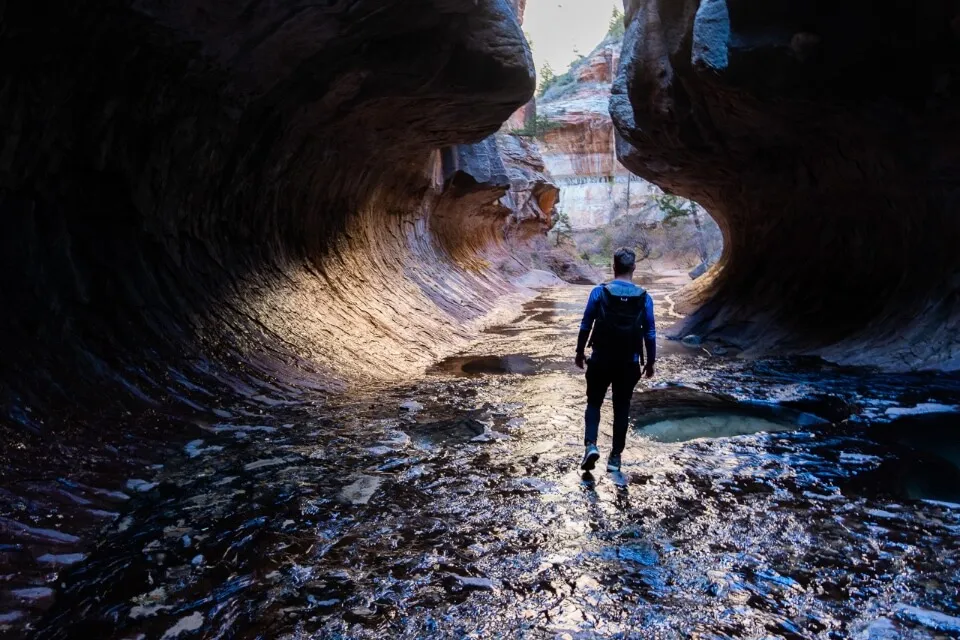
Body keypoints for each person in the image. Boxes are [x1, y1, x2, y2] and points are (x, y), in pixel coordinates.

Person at [575, 247, 656, 472]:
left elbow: (585, 324)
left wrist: (579, 352)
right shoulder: (644, 297)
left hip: (600, 359)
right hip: (629, 362)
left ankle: (591, 445)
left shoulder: (599, 293)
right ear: (634, 268)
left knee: (594, 402)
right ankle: (615, 459)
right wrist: (650, 362)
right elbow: (650, 332)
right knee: (622, 407)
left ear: (614, 267)